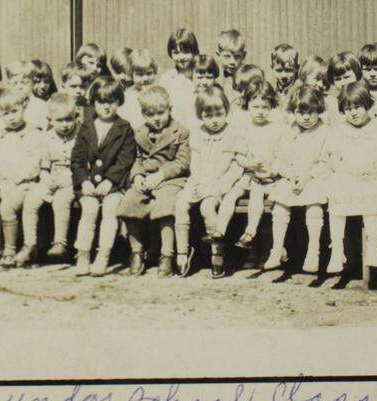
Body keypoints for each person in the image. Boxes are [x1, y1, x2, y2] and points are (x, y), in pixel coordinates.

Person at [324, 82, 377, 289]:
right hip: (348, 176)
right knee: (336, 194)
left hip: (374, 177)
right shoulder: (339, 130)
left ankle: (373, 248)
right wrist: (345, 170)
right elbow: (332, 159)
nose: (353, 113)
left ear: (368, 106)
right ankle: (337, 250)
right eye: (348, 109)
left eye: (358, 107)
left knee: (371, 202)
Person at [174, 84, 248, 278]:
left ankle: (217, 253)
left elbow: (226, 165)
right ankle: (182, 253)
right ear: (201, 116)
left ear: (226, 111)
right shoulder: (198, 133)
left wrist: (209, 184)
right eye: (208, 115)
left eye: (218, 114)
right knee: (181, 203)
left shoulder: (232, 133)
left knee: (207, 207)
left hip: (221, 180)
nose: (214, 120)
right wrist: (197, 182)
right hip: (201, 178)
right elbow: (196, 162)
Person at [118, 86, 191, 277]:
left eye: (161, 112)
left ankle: (166, 254)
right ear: (143, 114)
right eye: (150, 114)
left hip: (171, 179)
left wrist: (160, 175)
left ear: (170, 109)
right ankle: (137, 252)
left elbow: (182, 162)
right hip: (146, 179)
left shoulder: (180, 131)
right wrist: (138, 176)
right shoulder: (139, 132)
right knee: (128, 202)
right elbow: (137, 159)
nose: (157, 118)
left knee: (165, 205)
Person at [70, 76, 136, 276]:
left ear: (119, 102)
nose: (106, 107)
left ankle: (103, 255)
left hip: (114, 185)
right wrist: (84, 181)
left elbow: (126, 159)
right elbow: (77, 160)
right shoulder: (86, 127)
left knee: (110, 209)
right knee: (89, 209)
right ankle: (83, 254)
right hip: (89, 184)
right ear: (93, 102)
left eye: (112, 101)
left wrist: (110, 180)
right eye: (101, 102)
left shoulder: (124, 128)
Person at [0, 84, 46, 270]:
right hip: (2, 182)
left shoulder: (33, 133)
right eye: (5, 114)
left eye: (15, 111)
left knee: (7, 206)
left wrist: (14, 181)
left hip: (25, 184)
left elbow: (34, 165)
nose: (12, 117)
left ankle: (9, 250)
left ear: (24, 107)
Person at [264, 85, 332, 274]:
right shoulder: (288, 132)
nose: (306, 117)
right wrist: (289, 174)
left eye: (312, 112)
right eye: (301, 112)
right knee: (279, 206)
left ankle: (313, 251)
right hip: (291, 178)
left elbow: (327, 162)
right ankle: (277, 249)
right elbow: (278, 159)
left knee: (314, 206)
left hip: (314, 179)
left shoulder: (325, 132)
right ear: (294, 112)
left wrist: (307, 177)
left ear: (319, 111)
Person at [214, 80, 283, 251]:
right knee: (230, 196)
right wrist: (250, 164)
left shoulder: (276, 129)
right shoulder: (244, 129)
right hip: (248, 174)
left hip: (268, 178)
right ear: (248, 106)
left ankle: (250, 232)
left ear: (271, 107)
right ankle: (219, 231)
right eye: (256, 106)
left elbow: (282, 155)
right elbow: (239, 156)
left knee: (256, 197)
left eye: (265, 107)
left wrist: (272, 169)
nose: (260, 111)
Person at [20, 93, 80, 266]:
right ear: (50, 120)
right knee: (31, 200)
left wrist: (68, 179)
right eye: (59, 120)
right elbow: (44, 166)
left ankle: (60, 242)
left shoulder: (80, 136)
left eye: (69, 119)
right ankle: (29, 243)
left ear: (76, 117)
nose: (65, 124)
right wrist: (46, 181)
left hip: (71, 179)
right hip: (51, 177)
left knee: (61, 200)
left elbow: (82, 164)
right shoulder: (46, 137)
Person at [158, 28, 199, 129]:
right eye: (176, 53)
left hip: (198, 130)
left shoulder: (201, 77)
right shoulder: (166, 79)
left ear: (194, 52)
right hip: (175, 131)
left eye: (185, 52)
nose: (181, 57)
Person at [120, 49, 159, 130]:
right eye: (140, 75)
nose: (145, 78)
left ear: (155, 72)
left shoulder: (160, 94)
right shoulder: (127, 97)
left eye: (149, 73)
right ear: (131, 74)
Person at [6, 60, 48, 130]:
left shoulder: (40, 105)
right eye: (14, 83)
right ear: (8, 84)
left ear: (33, 83)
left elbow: (43, 127)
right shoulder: (5, 104)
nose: (19, 87)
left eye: (24, 83)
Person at [214, 29, 248, 104]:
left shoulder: (247, 80)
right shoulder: (215, 80)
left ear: (244, 56)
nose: (232, 62)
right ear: (218, 55)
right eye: (227, 56)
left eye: (237, 57)